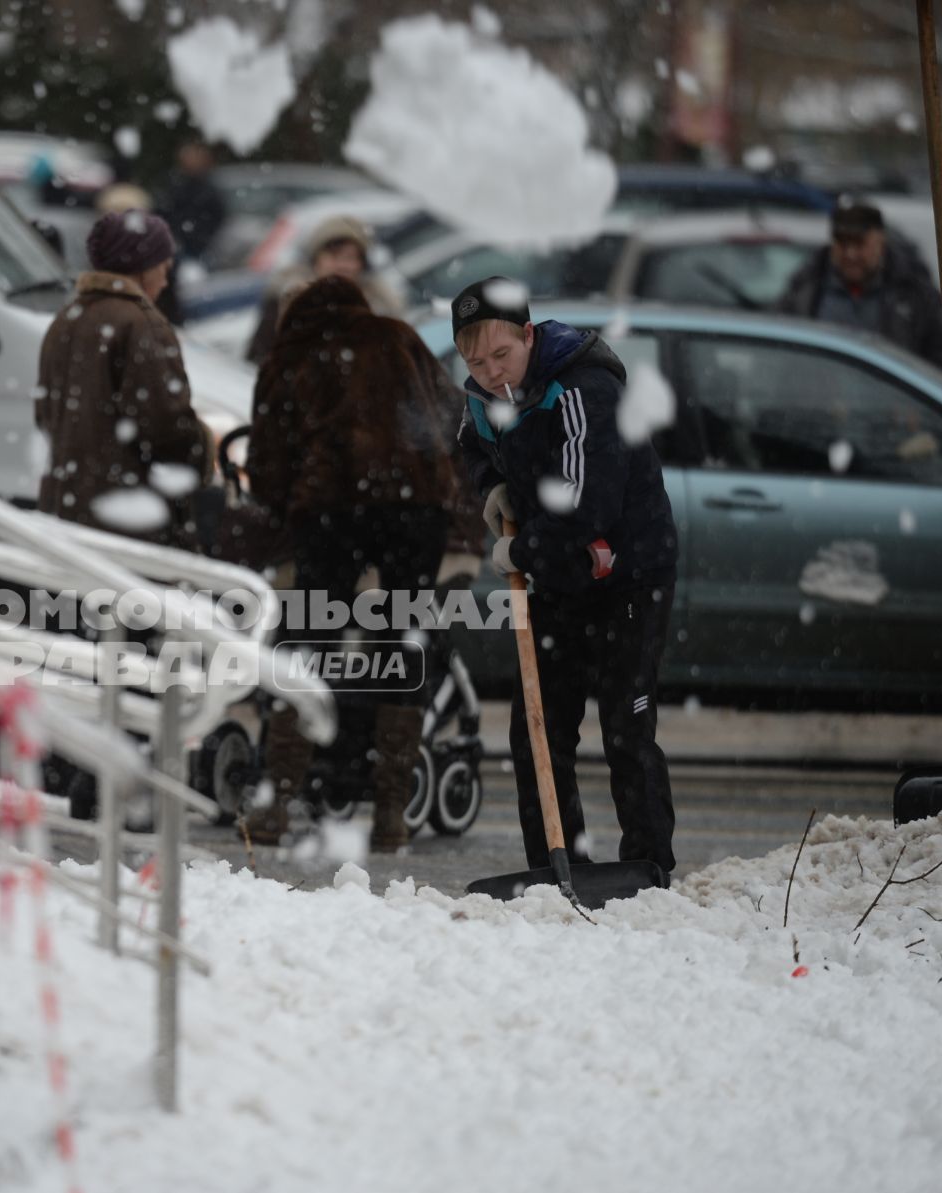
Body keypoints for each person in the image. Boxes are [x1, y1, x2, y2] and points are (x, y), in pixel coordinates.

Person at [451, 277, 679, 875]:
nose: (493, 373)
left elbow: (585, 505)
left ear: (529, 335)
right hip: (558, 579)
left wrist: (522, 552)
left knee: (625, 726)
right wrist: (491, 487)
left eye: (503, 354)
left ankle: (648, 867)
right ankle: (559, 866)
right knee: (538, 734)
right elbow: (471, 443)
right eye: (476, 361)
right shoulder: (481, 395)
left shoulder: (585, 388)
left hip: (625, 572)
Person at [241, 276, 466, 854]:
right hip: (415, 510)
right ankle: (390, 815)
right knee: (401, 639)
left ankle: (279, 802)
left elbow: (266, 459)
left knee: (307, 639)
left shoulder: (291, 355)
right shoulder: (397, 336)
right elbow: (449, 414)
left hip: (331, 509)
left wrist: (285, 503)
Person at [33, 209, 213, 551]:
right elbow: (165, 426)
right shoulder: (141, 322)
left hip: (64, 511)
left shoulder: (67, 318)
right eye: (164, 264)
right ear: (144, 267)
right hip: (129, 521)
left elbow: (45, 415)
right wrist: (202, 451)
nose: (166, 277)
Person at [777, 198, 942, 365]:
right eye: (843, 244)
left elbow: (940, 361)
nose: (851, 254)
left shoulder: (915, 293)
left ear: (880, 241)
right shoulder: (805, 289)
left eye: (859, 244)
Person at [244, 214, 405, 365]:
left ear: (362, 266)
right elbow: (260, 357)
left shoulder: (377, 312)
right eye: (334, 256)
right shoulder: (287, 297)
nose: (343, 266)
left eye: (351, 258)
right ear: (316, 258)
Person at [154, 141, 228, 327]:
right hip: (175, 247)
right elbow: (161, 211)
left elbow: (217, 216)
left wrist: (198, 238)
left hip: (196, 249)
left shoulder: (208, 186)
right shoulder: (173, 182)